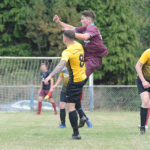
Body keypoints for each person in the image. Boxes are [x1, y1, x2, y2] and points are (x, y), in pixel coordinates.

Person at [45, 30, 87, 140]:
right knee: (75, 99)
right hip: (83, 78)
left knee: (70, 107)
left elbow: (61, 65)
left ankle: (76, 134)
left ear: (64, 39)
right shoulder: (79, 45)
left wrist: (50, 76)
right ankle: (82, 115)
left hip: (74, 81)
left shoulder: (67, 52)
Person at [53, 10, 108, 77]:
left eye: (82, 19)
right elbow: (72, 28)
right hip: (87, 54)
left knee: (80, 77)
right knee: (75, 46)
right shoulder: (85, 28)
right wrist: (59, 22)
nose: (81, 21)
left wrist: (71, 33)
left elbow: (85, 37)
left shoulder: (93, 28)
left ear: (89, 20)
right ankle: (68, 67)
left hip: (94, 59)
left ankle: (70, 72)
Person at [135, 48, 150, 135]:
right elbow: (137, 66)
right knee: (145, 101)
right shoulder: (148, 53)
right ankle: (142, 128)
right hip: (142, 79)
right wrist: (144, 81)